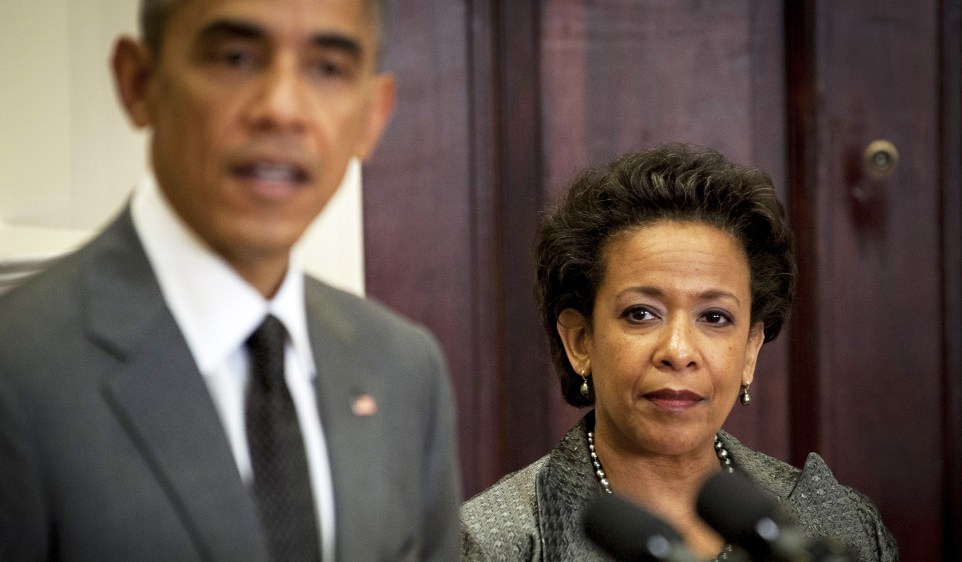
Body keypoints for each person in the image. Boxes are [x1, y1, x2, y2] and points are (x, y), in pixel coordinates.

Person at [0, 0, 461, 560]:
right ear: (138, 82)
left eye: (327, 69)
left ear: (373, 115)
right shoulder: (20, 370)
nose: (282, 109)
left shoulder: (403, 370)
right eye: (236, 58)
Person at [460, 144, 898, 561]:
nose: (679, 351)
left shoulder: (837, 527)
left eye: (714, 318)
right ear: (580, 342)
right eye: (641, 313)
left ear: (749, 350)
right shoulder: (493, 543)